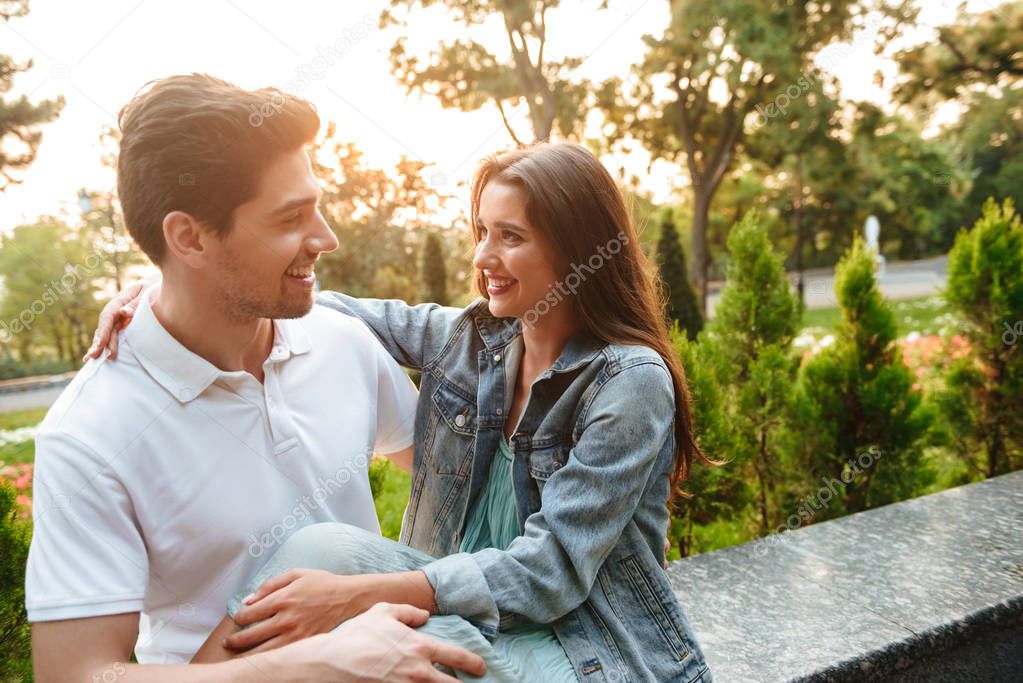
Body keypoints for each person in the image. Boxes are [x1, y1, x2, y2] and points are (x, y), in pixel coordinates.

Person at [92, 142, 715, 682]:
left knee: (346, 629)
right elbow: (313, 301)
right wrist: (165, 290)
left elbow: (549, 573)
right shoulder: (475, 342)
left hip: (581, 651)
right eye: (481, 232)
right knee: (322, 548)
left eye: (511, 237)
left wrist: (353, 599)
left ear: (578, 249)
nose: (482, 258)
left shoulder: (628, 382)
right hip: (466, 617)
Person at [26, 74, 486, 683]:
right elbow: (76, 675)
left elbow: (460, 486)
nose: (326, 238)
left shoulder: (342, 341)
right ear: (188, 237)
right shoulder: (90, 434)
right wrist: (319, 663)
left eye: (316, 207)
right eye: (291, 217)